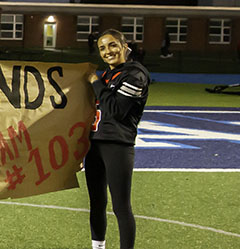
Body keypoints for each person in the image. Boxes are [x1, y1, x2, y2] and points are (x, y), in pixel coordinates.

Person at [85, 29, 149, 249]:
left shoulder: (135, 74)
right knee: (96, 203)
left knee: (120, 206)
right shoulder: (108, 75)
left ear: (124, 46)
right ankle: (98, 247)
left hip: (117, 146)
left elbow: (116, 109)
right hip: (94, 145)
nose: (107, 51)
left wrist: (95, 82)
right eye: (102, 48)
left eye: (112, 45)